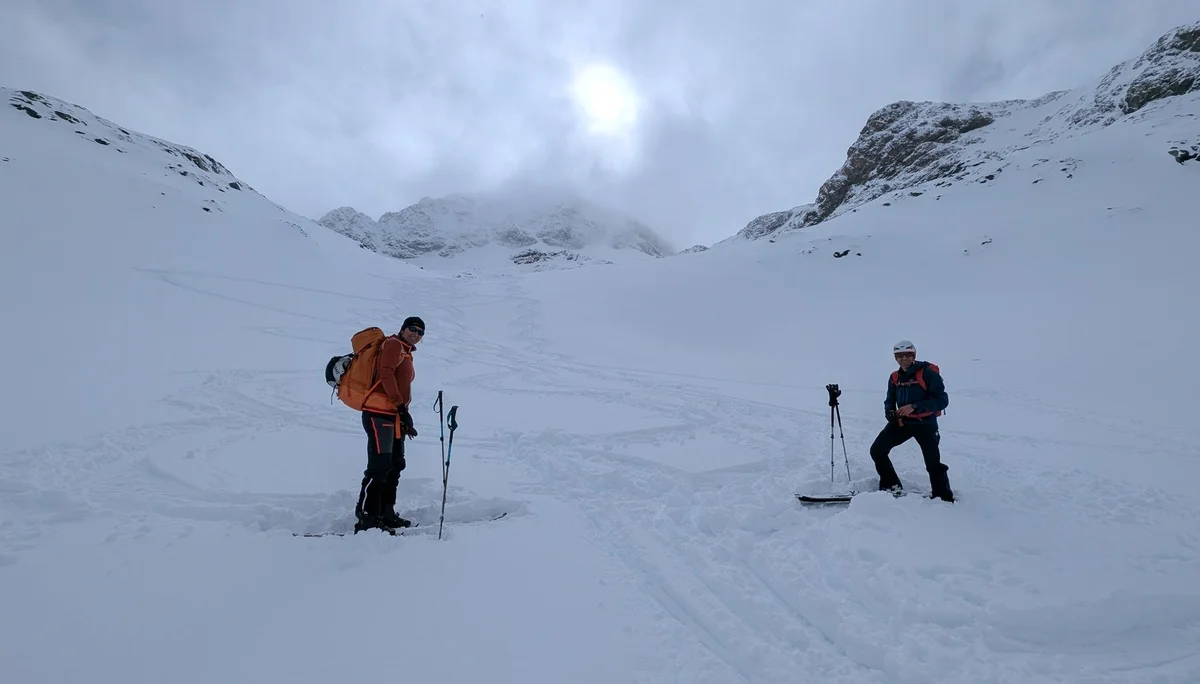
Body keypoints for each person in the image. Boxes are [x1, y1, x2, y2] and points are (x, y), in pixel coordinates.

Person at [354, 316, 424, 532]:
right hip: (379, 414)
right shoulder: (393, 344)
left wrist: (403, 415)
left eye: (421, 332)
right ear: (403, 329)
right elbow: (386, 374)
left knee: (395, 464)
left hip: (394, 416)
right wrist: (401, 407)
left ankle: (386, 513)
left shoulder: (406, 351)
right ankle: (368, 516)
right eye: (412, 329)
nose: (416, 334)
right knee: (380, 466)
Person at [868, 339, 954, 502]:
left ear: (914, 355)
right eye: (899, 355)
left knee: (932, 462)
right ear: (895, 357)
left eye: (907, 355)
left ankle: (943, 496)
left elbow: (942, 400)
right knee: (877, 450)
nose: (903, 358)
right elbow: (889, 400)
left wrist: (914, 406)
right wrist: (889, 412)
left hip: (925, 423)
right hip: (903, 423)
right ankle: (891, 486)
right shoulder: (895, 377)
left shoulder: (927, 373)